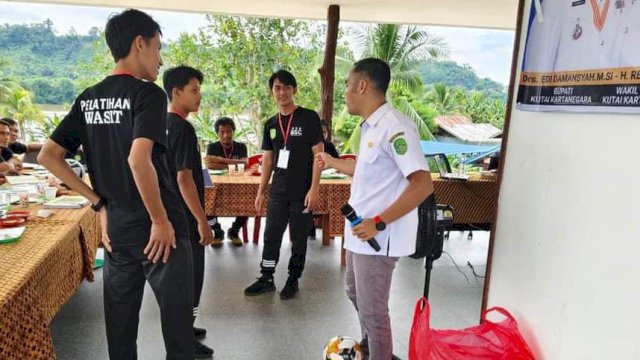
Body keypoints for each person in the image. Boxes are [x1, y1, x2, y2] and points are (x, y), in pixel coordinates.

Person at [37, 9, 195, 359]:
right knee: (178, 329)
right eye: (158, 47)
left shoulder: (88, 98)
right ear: (140, 44)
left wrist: (99, 203)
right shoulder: (148, 95)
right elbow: (138, 160)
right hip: (161, 229)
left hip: (118, 228)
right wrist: (159, 220)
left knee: (120, 329)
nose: (161, 58)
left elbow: (49, 156)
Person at [316, 58, 433, 360]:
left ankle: (379, 352)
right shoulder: (371, 127)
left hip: (379, 237)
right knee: (355, 294)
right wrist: (333, 163)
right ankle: (371, 350)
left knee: (374, 311)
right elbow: (367, 171)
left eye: (346, 84)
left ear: (362, 85)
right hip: (359, 234)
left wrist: (379, 222)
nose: (344, 91)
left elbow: (422, 184)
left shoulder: (395, 127)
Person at [244, 70, 324, 300]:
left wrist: (315, 188)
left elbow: (319, 155)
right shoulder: (270, 124)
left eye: (287, 87)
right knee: (271, 236)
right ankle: (266, 277)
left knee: (298, 238)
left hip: (302, 192)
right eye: (277, 88)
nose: (282, 92)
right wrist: (261, 191)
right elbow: (267, 159)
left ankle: (293, 278)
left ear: (294, 90)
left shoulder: (308, 118)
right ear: (272, 92)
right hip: (278, 192)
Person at [163, 65, 215, 358]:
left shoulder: (160, 124)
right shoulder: (182, 128)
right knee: (192, 279)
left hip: (171, 213)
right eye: (194, 90)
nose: (199, 96)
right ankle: (185, 339)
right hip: (185, 217)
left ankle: (185, 326)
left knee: (181, 279)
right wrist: (202, 221)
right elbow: (184, 178)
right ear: (176, 92)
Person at [523, 0, 639, 72]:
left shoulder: (633, 6)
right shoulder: (554, 3)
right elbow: (537, 68)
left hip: (615, 104)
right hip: (565, 106)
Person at [205, 117, 248, 247]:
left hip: (238, 184)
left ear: (233, 131)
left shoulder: (241, 146)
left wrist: (221, 160)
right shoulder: (212, 146)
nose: (226, 135)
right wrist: (236, 163)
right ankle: (217, 231)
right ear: (217, 133)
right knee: (206, 203)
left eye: (229, 131)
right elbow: (211, 166)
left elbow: (245, 164)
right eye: (222, 132)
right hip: (216, 184)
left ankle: (234, 231)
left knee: (248, 203)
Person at [308, 119, 339, 241]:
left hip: (329, 179)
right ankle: (310, 231)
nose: (322, 134)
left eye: (325, 132)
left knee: (335, 199)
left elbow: (337, 162)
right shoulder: (307, 145)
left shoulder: (330, 146)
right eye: (320, 131)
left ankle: (332, 231)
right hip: (312, 180)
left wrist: (330, 164)